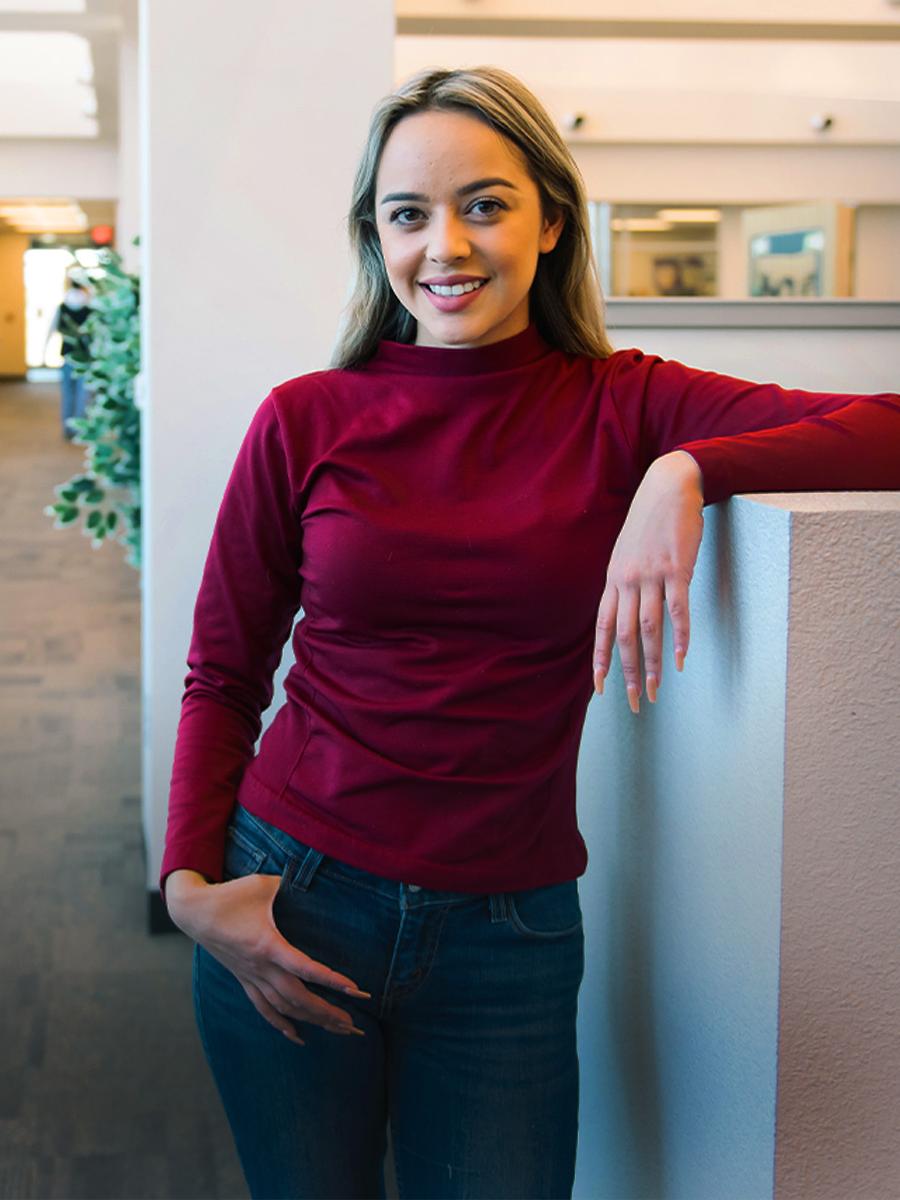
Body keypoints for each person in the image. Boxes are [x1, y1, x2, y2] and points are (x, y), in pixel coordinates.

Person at [160, 66, 900, 1200]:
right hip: (293, 893)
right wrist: (187, 890)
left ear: (553, 220)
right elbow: (223, 671)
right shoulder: (307, 416)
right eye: (408, 214)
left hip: (508, 939)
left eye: (486, 204)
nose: (445, 245)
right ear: (377, 236)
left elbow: (883, 428)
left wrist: (689, 465)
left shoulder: (627, 403)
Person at [45, 275, 93, 440]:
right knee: (83, 394)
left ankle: (67, 428)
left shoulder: (63, 306)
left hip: (67, 355)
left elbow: (52, 328)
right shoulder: (89, 307)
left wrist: (45, 351)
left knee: (68, 392)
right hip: (85, 358)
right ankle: (79, 427)